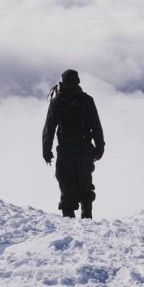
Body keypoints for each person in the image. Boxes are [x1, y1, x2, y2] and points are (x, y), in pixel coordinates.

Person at [42, 69, 104, 219]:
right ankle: (86, 215)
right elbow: (96, 126)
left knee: (66, 182)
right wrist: (99, 147)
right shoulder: (86, 100)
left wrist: (46, 150)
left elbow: (49, 128)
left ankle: (70, 218)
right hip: (82, 148)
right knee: (83, 181)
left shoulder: (58, 101)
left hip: (66, 149)